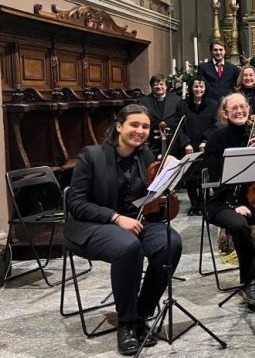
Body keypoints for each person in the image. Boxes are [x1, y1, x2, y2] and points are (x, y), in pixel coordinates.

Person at [64, 104, 182, 355]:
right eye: (134, 125)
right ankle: (126, 324)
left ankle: (141, 314)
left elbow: (153, 200)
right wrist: (116, 217)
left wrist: (168, 175)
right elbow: (76, 204)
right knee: (129, 247)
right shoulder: (92, 155)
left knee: (170, 243)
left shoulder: (147, 157)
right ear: (119, 126)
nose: (140, 131)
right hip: (93, 225)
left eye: (145, 127)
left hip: (137, 221)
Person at [204, 93, 255, 309]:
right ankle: (250, 281)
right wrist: (234, 204)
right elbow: (215, 179)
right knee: (239, 224)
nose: (239, 111)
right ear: (225, 114)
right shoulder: (216, 139)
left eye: (243, 106)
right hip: (222, 202)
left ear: (249, 108)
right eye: (234, 108)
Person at [181, 78, 218, 216]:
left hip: (205, 147)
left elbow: (215, 124)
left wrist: (206, 140)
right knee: (190, 178)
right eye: (196, 87)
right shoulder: (182, 104)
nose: (198, 89)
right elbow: (178, 126)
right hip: (189, 147)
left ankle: (204, 204)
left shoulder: (212, 105)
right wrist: (186, 143)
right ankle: (194, 205)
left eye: (201, 86)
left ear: (205, 88)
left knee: (204, 176)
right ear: (191, 88)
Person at [138, 74, 189, 158]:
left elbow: (182, 122)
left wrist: (185, 142)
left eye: (161, 84)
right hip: (151, 144)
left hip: (173, 144)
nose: (158, 87)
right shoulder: (143, 102)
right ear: (151, 86)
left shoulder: (176, 100)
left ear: (166, 86)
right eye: (155, 84)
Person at [197, 40, 239, 104]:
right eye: (215, 50)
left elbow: (237, 86)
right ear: (211, 51)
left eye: (221, 50)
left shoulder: (233, 68)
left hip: (228, 103)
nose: (218, 52)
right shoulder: (203, 67)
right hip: (209, 104)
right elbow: (200, 86)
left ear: (225, 51)